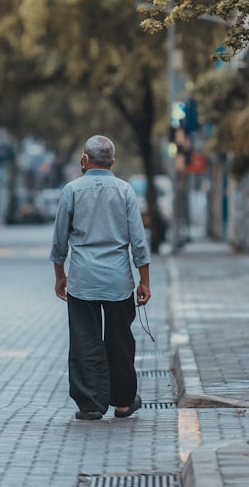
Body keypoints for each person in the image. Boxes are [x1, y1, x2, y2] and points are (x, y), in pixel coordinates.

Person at [50, 135, 152, 421]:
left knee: (85, 341)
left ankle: (91, 405)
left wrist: (60, 275)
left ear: (84, 159)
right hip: (118, 280)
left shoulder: (71, 190)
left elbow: (59, 240)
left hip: (82, 280)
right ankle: (122, 402)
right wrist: (144, 280)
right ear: (113, 162)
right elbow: (138, 241)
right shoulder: (125, 191)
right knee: (120, 340)